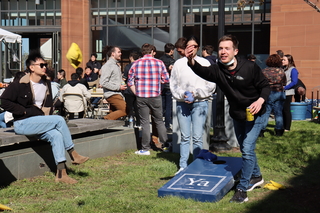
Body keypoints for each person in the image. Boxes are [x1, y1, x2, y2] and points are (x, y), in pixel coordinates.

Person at [185, 34, 271, 203]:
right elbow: (204, 71)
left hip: (257, 113)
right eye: (221, 48)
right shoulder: (218, 69)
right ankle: (256, 175)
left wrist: (260, 101)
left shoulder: (249, 67)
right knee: (246, 148)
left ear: (235, 51)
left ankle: (242, 189)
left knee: (246, 148)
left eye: (227, 48)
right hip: (238, 115)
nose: (223, 52)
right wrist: (191, 60)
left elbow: (265, 86)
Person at [0, 50, 89, 184]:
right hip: (22, 124)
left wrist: (47, 120)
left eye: (45, 64)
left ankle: (61, 175)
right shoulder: (19, 84)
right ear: (31, 67)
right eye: (41, 65)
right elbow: (3, 101)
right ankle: (73, 153)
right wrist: (21, 111)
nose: (45, 67)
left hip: (39, 122)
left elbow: (48, 106)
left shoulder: (46, 83)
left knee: (56, 135)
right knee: (59, 119)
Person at [171, 36, 216, 175]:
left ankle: (197, 165)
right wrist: (183, 94)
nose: (191, 49)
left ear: (198, 47)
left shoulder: (205, 63)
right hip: (182, 103)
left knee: (197, 137)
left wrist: (196, 93)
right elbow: (173, 84)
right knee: (185, 136)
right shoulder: (179, 64)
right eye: (188, 46)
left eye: (194, 46)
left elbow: (211, 84)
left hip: (200, 103)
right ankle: (183, 166)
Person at [128, 43, 169, 155]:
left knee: (145, 122)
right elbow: (166, 79)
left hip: (141, 96)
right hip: (155, 95)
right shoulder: (159, 63)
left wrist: (136, 92)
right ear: (152, 52)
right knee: (159, 121)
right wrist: (158, 82)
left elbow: (130, 81)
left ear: (142, 53)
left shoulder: (136, 64)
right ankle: (165, 145)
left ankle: (145, 148)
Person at [260, 54, 286, 137]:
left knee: (266, 112)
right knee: (278, 112)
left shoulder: (264, 71)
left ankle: (262, 130)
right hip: (279, 92)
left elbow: (261, 83)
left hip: (268, 93)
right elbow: (284, 83)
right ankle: (279, 130)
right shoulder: (281, 71)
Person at [100, 46, 127, 120]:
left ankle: (104, 127)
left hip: (117, 93)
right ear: (113, 54)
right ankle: (104, 120)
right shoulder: (108, 66)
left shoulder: (116, 65)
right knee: (125, 110)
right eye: (118, 52)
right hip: (112, 94)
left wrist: (123, 83)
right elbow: (103, 82)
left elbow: (116, 79)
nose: (120, 54)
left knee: (114, 114)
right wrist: (119, 87)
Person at [122, 50, 141, 127]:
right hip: (138, 89)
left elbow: (125, 78)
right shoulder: (140, 66)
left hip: (129, 89)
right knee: (137, 107)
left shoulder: (128, 66)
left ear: (131, 57)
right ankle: (139, 123)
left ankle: (131, 121)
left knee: (129, 106)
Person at [159, 43, 175, 132]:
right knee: (169, 106)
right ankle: (167, 125)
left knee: (161, 106)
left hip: (161, 85)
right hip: (168, 85)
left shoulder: (160, 60)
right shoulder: (172, 61)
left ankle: (160, 123)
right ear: (171, 50)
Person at [282, 54, 298, 131]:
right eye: (282, 60)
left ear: (289, 61)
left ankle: (287, 127)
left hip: (288, 92)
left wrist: (285, 87)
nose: (282, 61)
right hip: (281, 92)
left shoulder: (293, 70)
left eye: (284, 60)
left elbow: (294, 82)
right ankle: (282, 125)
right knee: (281, 110)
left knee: (286, 109)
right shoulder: (283, 69)